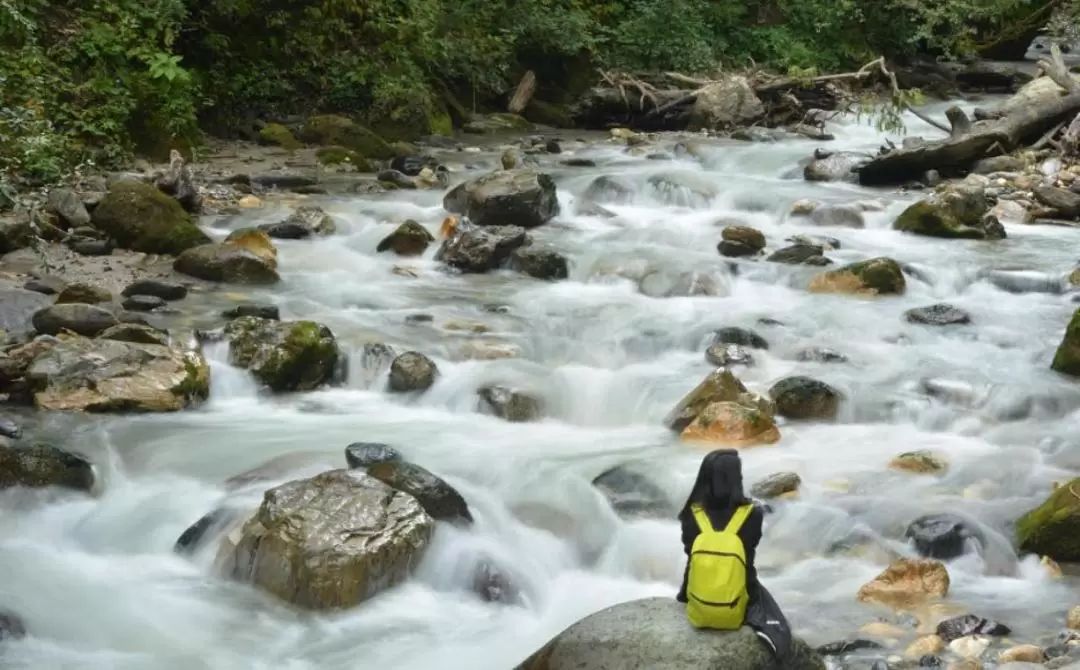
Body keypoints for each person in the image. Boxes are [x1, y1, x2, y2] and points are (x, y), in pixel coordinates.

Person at [676, 449, 792, 662]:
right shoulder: (753, 514)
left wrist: (683, 596)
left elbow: (691, 560)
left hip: (698, 602)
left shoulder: (691, 514)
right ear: (736, 478)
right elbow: (747, 563)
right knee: (782, 629)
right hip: (737, 603)